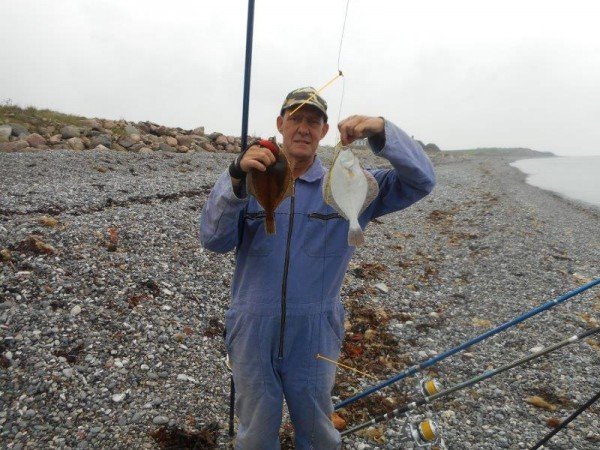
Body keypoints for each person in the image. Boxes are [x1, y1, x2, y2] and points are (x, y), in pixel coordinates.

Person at [199, 87, 436, 449]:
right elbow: (214, 239)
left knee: (317, 430)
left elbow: (422, 181)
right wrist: (234, 179)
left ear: (324, 132)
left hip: (315, 331)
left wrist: (382, 131)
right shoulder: (249, 180)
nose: (304, 128)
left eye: (313, 121)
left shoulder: (353, 185)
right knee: (255, 433)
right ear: (280, 124)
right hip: (251, 326)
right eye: (295, 119)